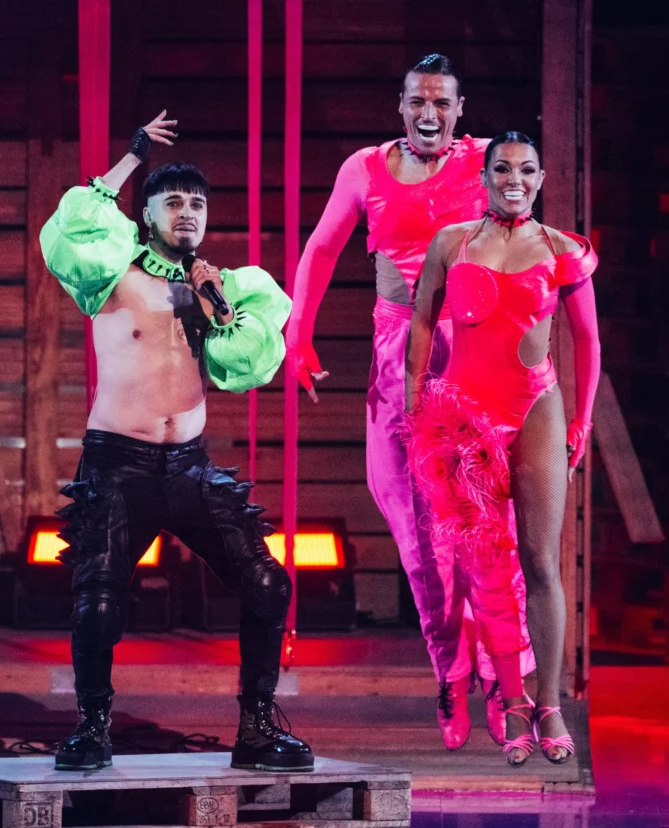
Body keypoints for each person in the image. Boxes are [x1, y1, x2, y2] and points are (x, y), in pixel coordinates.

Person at [40, 112, 313, 773]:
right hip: (119, 464)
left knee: (268, 585)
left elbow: (244, 365)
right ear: (147, 213)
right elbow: (70, 227)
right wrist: (131, 160)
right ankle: (92, 727)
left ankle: (256, 730)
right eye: (174, 202)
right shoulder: (112, 273)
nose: (187, 212)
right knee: (99, 600)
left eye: (196, 204)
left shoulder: (222, 287)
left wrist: (215, 304)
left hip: (189, 467)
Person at [285, 54, 534, 749]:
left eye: (442, 103)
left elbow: (530, 246)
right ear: (400, 107)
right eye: (418, 101)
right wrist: (298, 335)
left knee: (488, 525)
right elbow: (321, 249)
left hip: (474, 352)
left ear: (460, 110)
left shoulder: (487, 162)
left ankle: (502, 678)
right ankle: (450, 672)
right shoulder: (365, 169)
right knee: (417, 532)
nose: (430, 114)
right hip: (401, 359)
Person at [404, 131, 599, 766]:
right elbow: (422, 319)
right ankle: (511, 700)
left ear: (540, 179)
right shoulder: (451, 243)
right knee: (487, 570)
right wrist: (414, 401)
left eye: (527, 169)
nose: (515, 178)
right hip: (466, 420)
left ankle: (550, 702)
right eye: (504, 168)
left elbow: (588, 341)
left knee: (540, 562)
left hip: (536, 408)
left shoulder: (562, 249)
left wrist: (582, 421)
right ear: (485, 176)